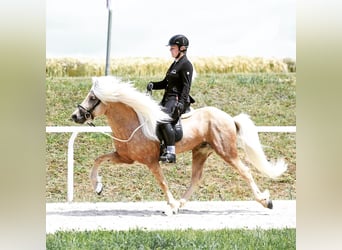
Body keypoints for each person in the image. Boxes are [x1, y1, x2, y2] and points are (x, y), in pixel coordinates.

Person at [147, 34, 194, 163]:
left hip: (177, 100)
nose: (170, 50)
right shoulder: (175, 64)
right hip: (167, 99)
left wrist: (182, 103)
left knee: (163, 119)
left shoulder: (186, 65)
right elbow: (165, 83)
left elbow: (186, 87)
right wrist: (154, 85)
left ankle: (171, 153)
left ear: (182, 48)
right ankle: (161, 147)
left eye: (173, 48)